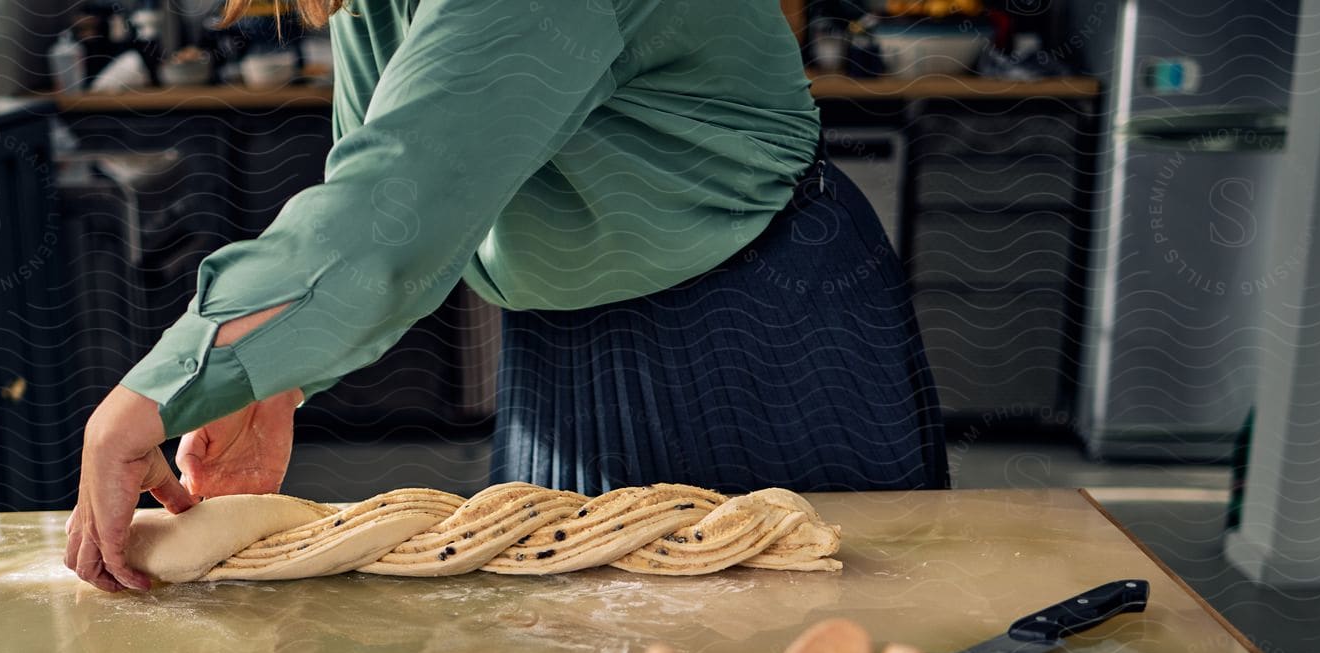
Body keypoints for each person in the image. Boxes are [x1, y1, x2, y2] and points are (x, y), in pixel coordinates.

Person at [67, 0, 948, 591]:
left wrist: (157, 391)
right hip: (562, 347)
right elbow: (401, 165)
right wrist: (274, 369)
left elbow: (396, 201)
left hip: (754, 334)